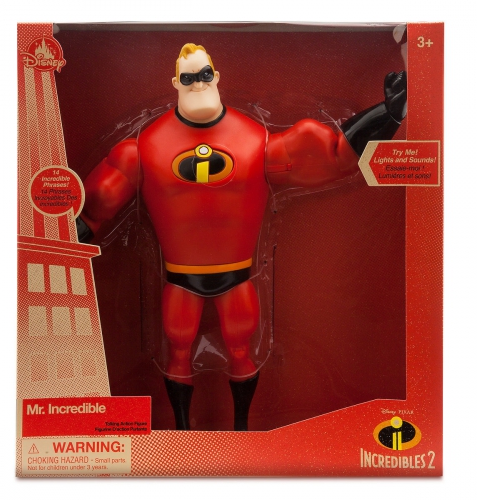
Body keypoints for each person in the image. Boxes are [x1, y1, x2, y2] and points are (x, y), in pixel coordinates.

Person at [76, 43, 407, 431]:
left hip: (236, 276)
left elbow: (332, 155)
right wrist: (61, 235)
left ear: (216, 77)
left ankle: (242, 431)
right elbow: (97, 204)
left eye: (204, 75)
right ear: (175, 82)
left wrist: (388, 114)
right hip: (180, 278)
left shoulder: (254, 142)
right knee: (177, 350)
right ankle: (182, 431)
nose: (198, 85)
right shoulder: (146, 148)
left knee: (240, 350)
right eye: (189, 78)